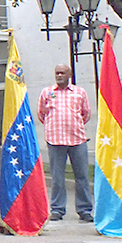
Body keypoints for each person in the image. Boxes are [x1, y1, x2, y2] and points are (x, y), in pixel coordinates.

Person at [37, 63, 93, 222]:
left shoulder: (80, 92)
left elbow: (86, 113)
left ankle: (85, 210)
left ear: (69, 75)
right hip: (55, 140)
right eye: (57, 73)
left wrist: (73, 124)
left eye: (62, 73)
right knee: (57, 177)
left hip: (77, 140)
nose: (59, 75)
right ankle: (57, 209)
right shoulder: (47, 92)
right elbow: (41, 114)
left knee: (82, 176)